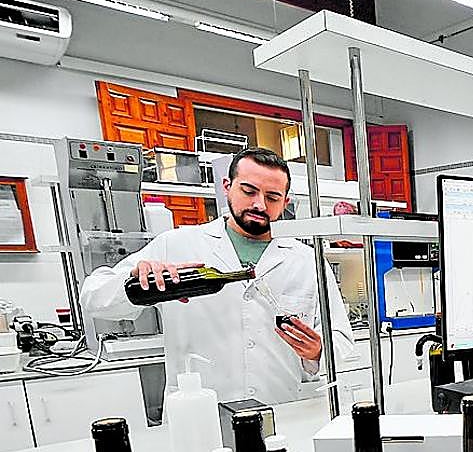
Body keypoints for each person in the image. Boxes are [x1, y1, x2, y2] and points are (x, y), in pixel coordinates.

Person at [81, 147, 355, 404]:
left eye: (271, 197)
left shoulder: (305, 260)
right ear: (227, 187)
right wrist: (133, 281)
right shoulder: (175, 245)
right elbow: (93, 297)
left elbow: (342, 343)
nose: (259, 204)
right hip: (200, 411)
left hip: (281, 408)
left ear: (285, 202)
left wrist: (318, 352)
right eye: (248, 191)